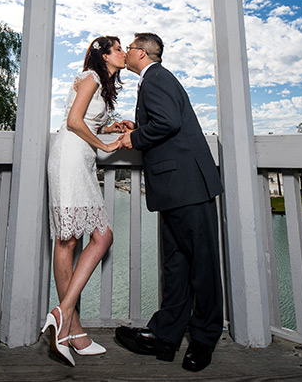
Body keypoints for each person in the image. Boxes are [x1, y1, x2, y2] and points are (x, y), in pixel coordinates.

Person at [114, 33, 224, 373]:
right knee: (176, 265)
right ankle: (165, 335)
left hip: (187, 185)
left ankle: (205, 339)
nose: (127, 53)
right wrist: (138, 125)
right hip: (176, 187)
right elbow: (163, 122)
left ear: (142, 53)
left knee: (201, 266)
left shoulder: (156, 78)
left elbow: (169, 122)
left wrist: (134, 136)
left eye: (129, 48)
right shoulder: (156, 81)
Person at [41, 36, 134, 366]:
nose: (124, 53)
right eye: (119, 49)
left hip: (80, 160)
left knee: (92, 237)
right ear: (105, 56)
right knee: (69, 239)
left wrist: (111, 127)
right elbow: (73, 122)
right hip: (68, 159)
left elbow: (88, 121)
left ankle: (66, 321)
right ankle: (69, 323)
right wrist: (107, 145)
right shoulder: (91, 77)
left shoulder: (101, 84)